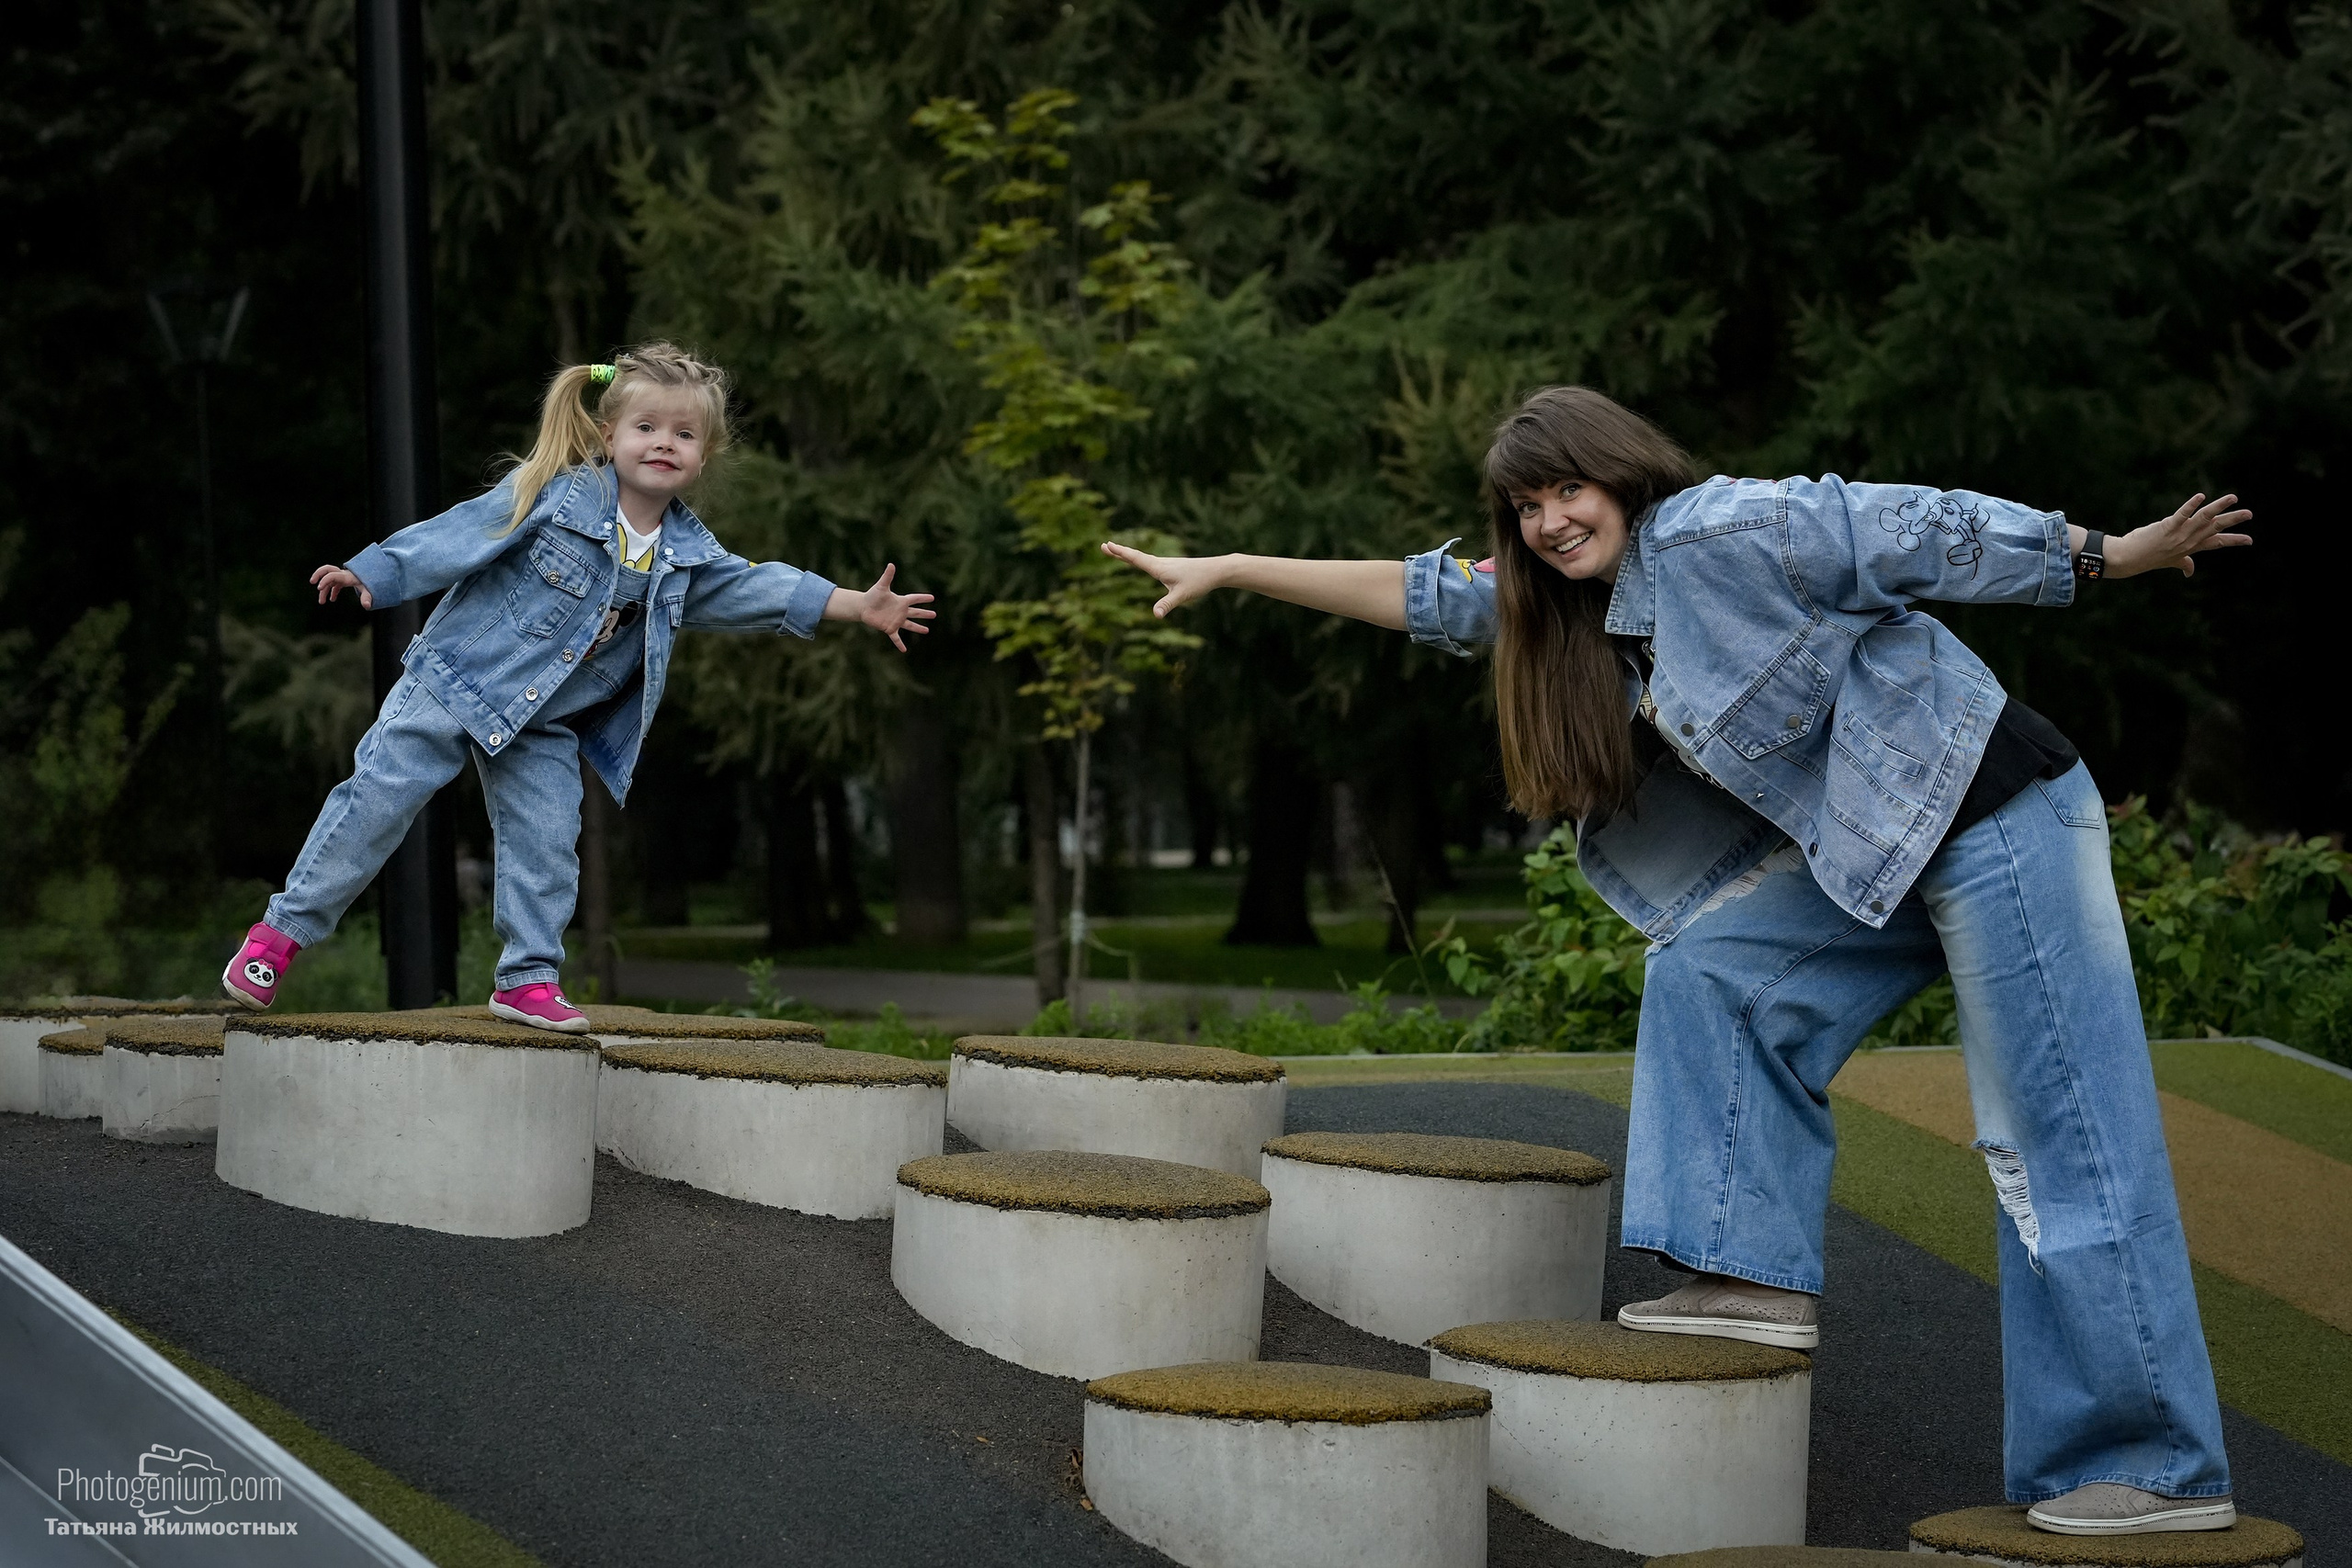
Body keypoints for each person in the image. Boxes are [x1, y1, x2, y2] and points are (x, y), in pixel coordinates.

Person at [1105, 385, 2252, 1536]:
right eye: (1525, 506)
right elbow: (1437, 600)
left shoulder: (1722, 528)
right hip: (1864, 846)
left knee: (2052, 1132)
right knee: (1715, 974)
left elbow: (1907, 526)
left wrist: (2107, 556)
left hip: (1993, 814)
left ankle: (2151, 1468)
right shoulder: (1581, 611)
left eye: (1568, 488)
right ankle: (1747, 1281)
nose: (1552, 520)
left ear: (1617, 474)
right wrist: (1234, 565)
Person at [221, 342, 933, 1032]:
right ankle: (276, 940)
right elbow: (461, 532)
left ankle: (527, 979)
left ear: (703, 456)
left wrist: (856, 605)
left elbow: (761, 588)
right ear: (609, 433)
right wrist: (372, 571)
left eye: (683, 434)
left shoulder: (686, 559)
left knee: (548, 839)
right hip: (457, 677)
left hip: (545, 721)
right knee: (377, 800)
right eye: (646, 427)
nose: (663, 443)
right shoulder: (558, 496)